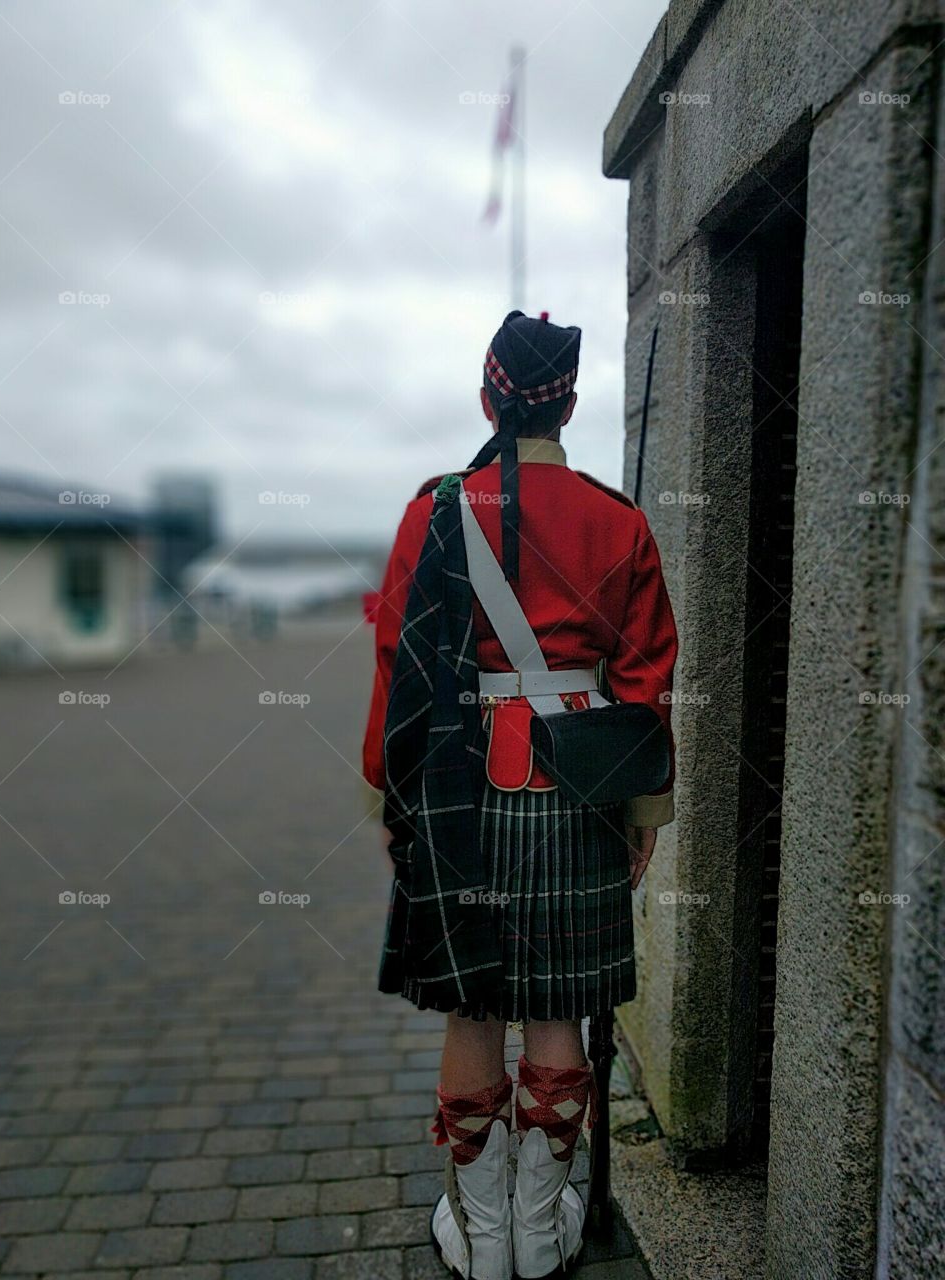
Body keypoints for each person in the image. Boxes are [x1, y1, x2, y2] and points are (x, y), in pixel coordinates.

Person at [360, 310, 678, 1280]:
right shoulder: (618, 518)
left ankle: (483, 1235)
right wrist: (640, 813)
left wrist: (388, 797)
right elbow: (647, 676)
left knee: (472, 1009)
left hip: (461, 790)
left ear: (490, 394)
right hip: (581, 794)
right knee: (559, 1008)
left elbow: (396, 663)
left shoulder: (434, 509)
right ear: (569, 401)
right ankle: (544, 1232)